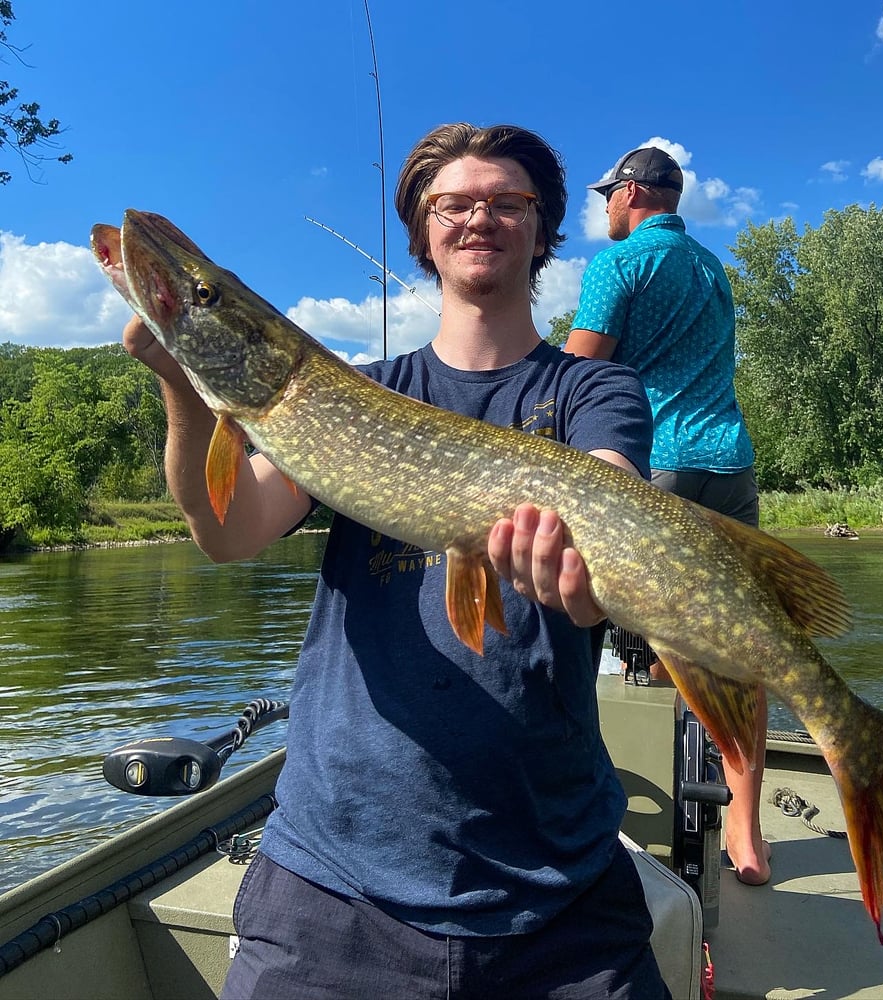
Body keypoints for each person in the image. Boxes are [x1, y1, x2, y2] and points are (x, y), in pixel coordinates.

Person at [123, 123, 671, 999]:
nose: (478, 217)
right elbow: (226, 532)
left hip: (555, 888)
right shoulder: (356, 392)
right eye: (452, 203)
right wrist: (184, 385)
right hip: (333, 883)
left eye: (507, 201)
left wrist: (580, 553)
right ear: (423, 233)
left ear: (542, 229)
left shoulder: (590, 388)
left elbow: (608, 486)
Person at [564, 145, 770, 887]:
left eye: (605, 197)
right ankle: (745, 835)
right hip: (730, 462)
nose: (602, 209)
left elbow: (577, 368)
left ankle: (579, 797)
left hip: (653, 464)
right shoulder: (713, 268)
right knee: (740, 643)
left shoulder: (616, 265)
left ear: (629, 194)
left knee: (582, 618)